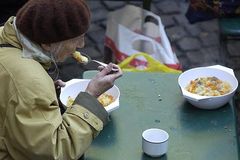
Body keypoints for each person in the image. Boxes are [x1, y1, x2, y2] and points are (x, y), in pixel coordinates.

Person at [0, 0, 123, 159]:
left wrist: (46, 96)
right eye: (76, 38)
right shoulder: (30, 82)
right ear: (47, 43)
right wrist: (91, 96)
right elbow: (55, 151)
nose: (81, 44)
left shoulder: (6, 35)